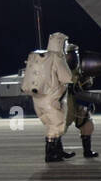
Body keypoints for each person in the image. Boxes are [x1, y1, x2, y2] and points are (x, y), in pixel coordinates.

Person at [20, 32, 77, 162]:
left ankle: (58, 151)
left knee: (50, 126)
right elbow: (66, 77)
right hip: (52, 100)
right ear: (61, 43)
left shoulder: (40, 56)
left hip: (38, 99)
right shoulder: (57, 57)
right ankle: (51, 154)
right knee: (57, 126)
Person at [64, 41, 98, 158]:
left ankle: (87, 151)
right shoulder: (60, 71)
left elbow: (89, 82)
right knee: (58, 129)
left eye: (75, 54)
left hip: (80, 103)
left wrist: (86, 82)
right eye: (69, 55)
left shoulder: (81, 69)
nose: (73, 57)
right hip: (65, 103)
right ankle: (55, 151)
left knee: (88, 125)